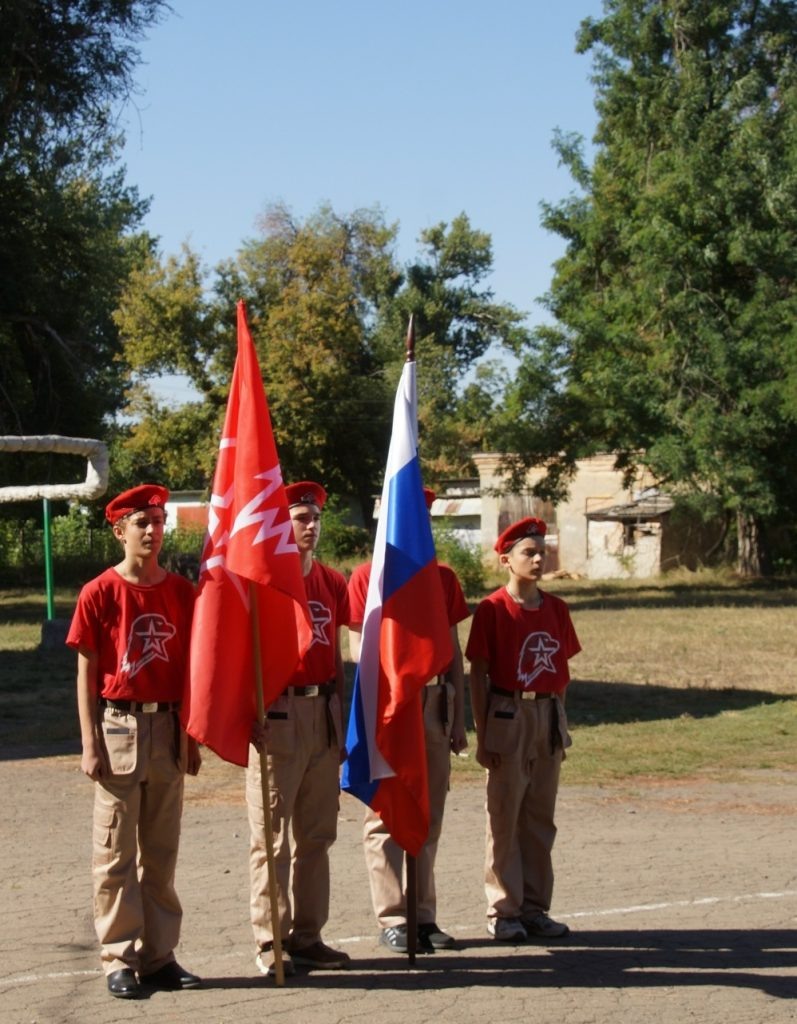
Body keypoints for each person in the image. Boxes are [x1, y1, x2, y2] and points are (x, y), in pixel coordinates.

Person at [66, 483, 202, 1000]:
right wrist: (89, 742)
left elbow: (192, 669)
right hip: (119, 728)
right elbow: (87, 673)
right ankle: (119, 957)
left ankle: (159, 956)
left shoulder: (182, 593)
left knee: (161, 855)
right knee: (115, 854)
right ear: (120, 531)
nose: (152, 531)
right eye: (142, 523)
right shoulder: (99, 592)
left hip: (168, 728)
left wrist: (191, 735)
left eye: (159, 522)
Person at [347, 487, 470, 953]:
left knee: (428, 812)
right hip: (388, 706)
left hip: (434, 704)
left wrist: (457, 718)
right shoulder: (367, 576)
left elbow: (452, 650)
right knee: (385, 814)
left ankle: (423, 914)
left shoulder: (442, 578)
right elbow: (357, 651)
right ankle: (393, 917)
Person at [246, 481, 351, 976]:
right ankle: (271, 941)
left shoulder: (332, 582)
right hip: (279, 715)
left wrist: (343, 718)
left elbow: (339, 656)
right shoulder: (265, 581)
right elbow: (242, 653)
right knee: (271, 838)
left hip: (323, 712)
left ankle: (308, 936)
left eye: (315, 518)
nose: (311, 526)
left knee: (317, 835)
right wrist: (249, 712)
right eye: (301, 518)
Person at [465, 516, 580, 943]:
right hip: (508, 713)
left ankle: (535, 908)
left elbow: (562, 673)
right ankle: (503, 910)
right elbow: (478, 674)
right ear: (506, 560)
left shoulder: (557, 610)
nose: (538, 559)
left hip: (546, 713)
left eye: (541, 552)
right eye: (528, 552)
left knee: (539, 818)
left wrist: (557, 723)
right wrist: (483, 734)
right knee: (505, 817)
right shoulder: (493, 609)